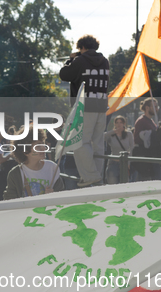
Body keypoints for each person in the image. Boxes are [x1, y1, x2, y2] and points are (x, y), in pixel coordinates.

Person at [59, 34, 109, 187]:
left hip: (84, 106)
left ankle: (90, 176)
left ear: (82, 47)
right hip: (101, 106)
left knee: (80, 141)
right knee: (98, 142)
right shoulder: (105, 61)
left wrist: (71, 59)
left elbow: (64, 74)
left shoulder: (80, 60)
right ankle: (97, 174)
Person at [4, 130, 64, 200]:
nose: (44, 148)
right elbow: (9, 200)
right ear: (26, 151)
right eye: (38, 146)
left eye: (43, 144)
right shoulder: (15, 173)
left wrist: (53, 194)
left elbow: (62, 194)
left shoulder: (52, 168)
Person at [132, 98, 161, 181]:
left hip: (152, 158)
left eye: (157, 106)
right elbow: (147, 138)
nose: (157, 109)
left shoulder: (151, 120)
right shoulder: (142, 121)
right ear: (147, 107)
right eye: (154, 106)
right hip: (146, 160)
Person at [104, 116, 134, 184]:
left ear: (124, 123)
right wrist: (113, 131)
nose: (119, 124)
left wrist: (129, 162)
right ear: (114, 124)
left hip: (124, 163)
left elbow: (131, 148)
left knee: (124, 184)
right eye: (117, 122)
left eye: (121, 122)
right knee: (112, 185)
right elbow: (102, 137)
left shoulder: (128, 134)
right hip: (113, 163)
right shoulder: (112, 135)